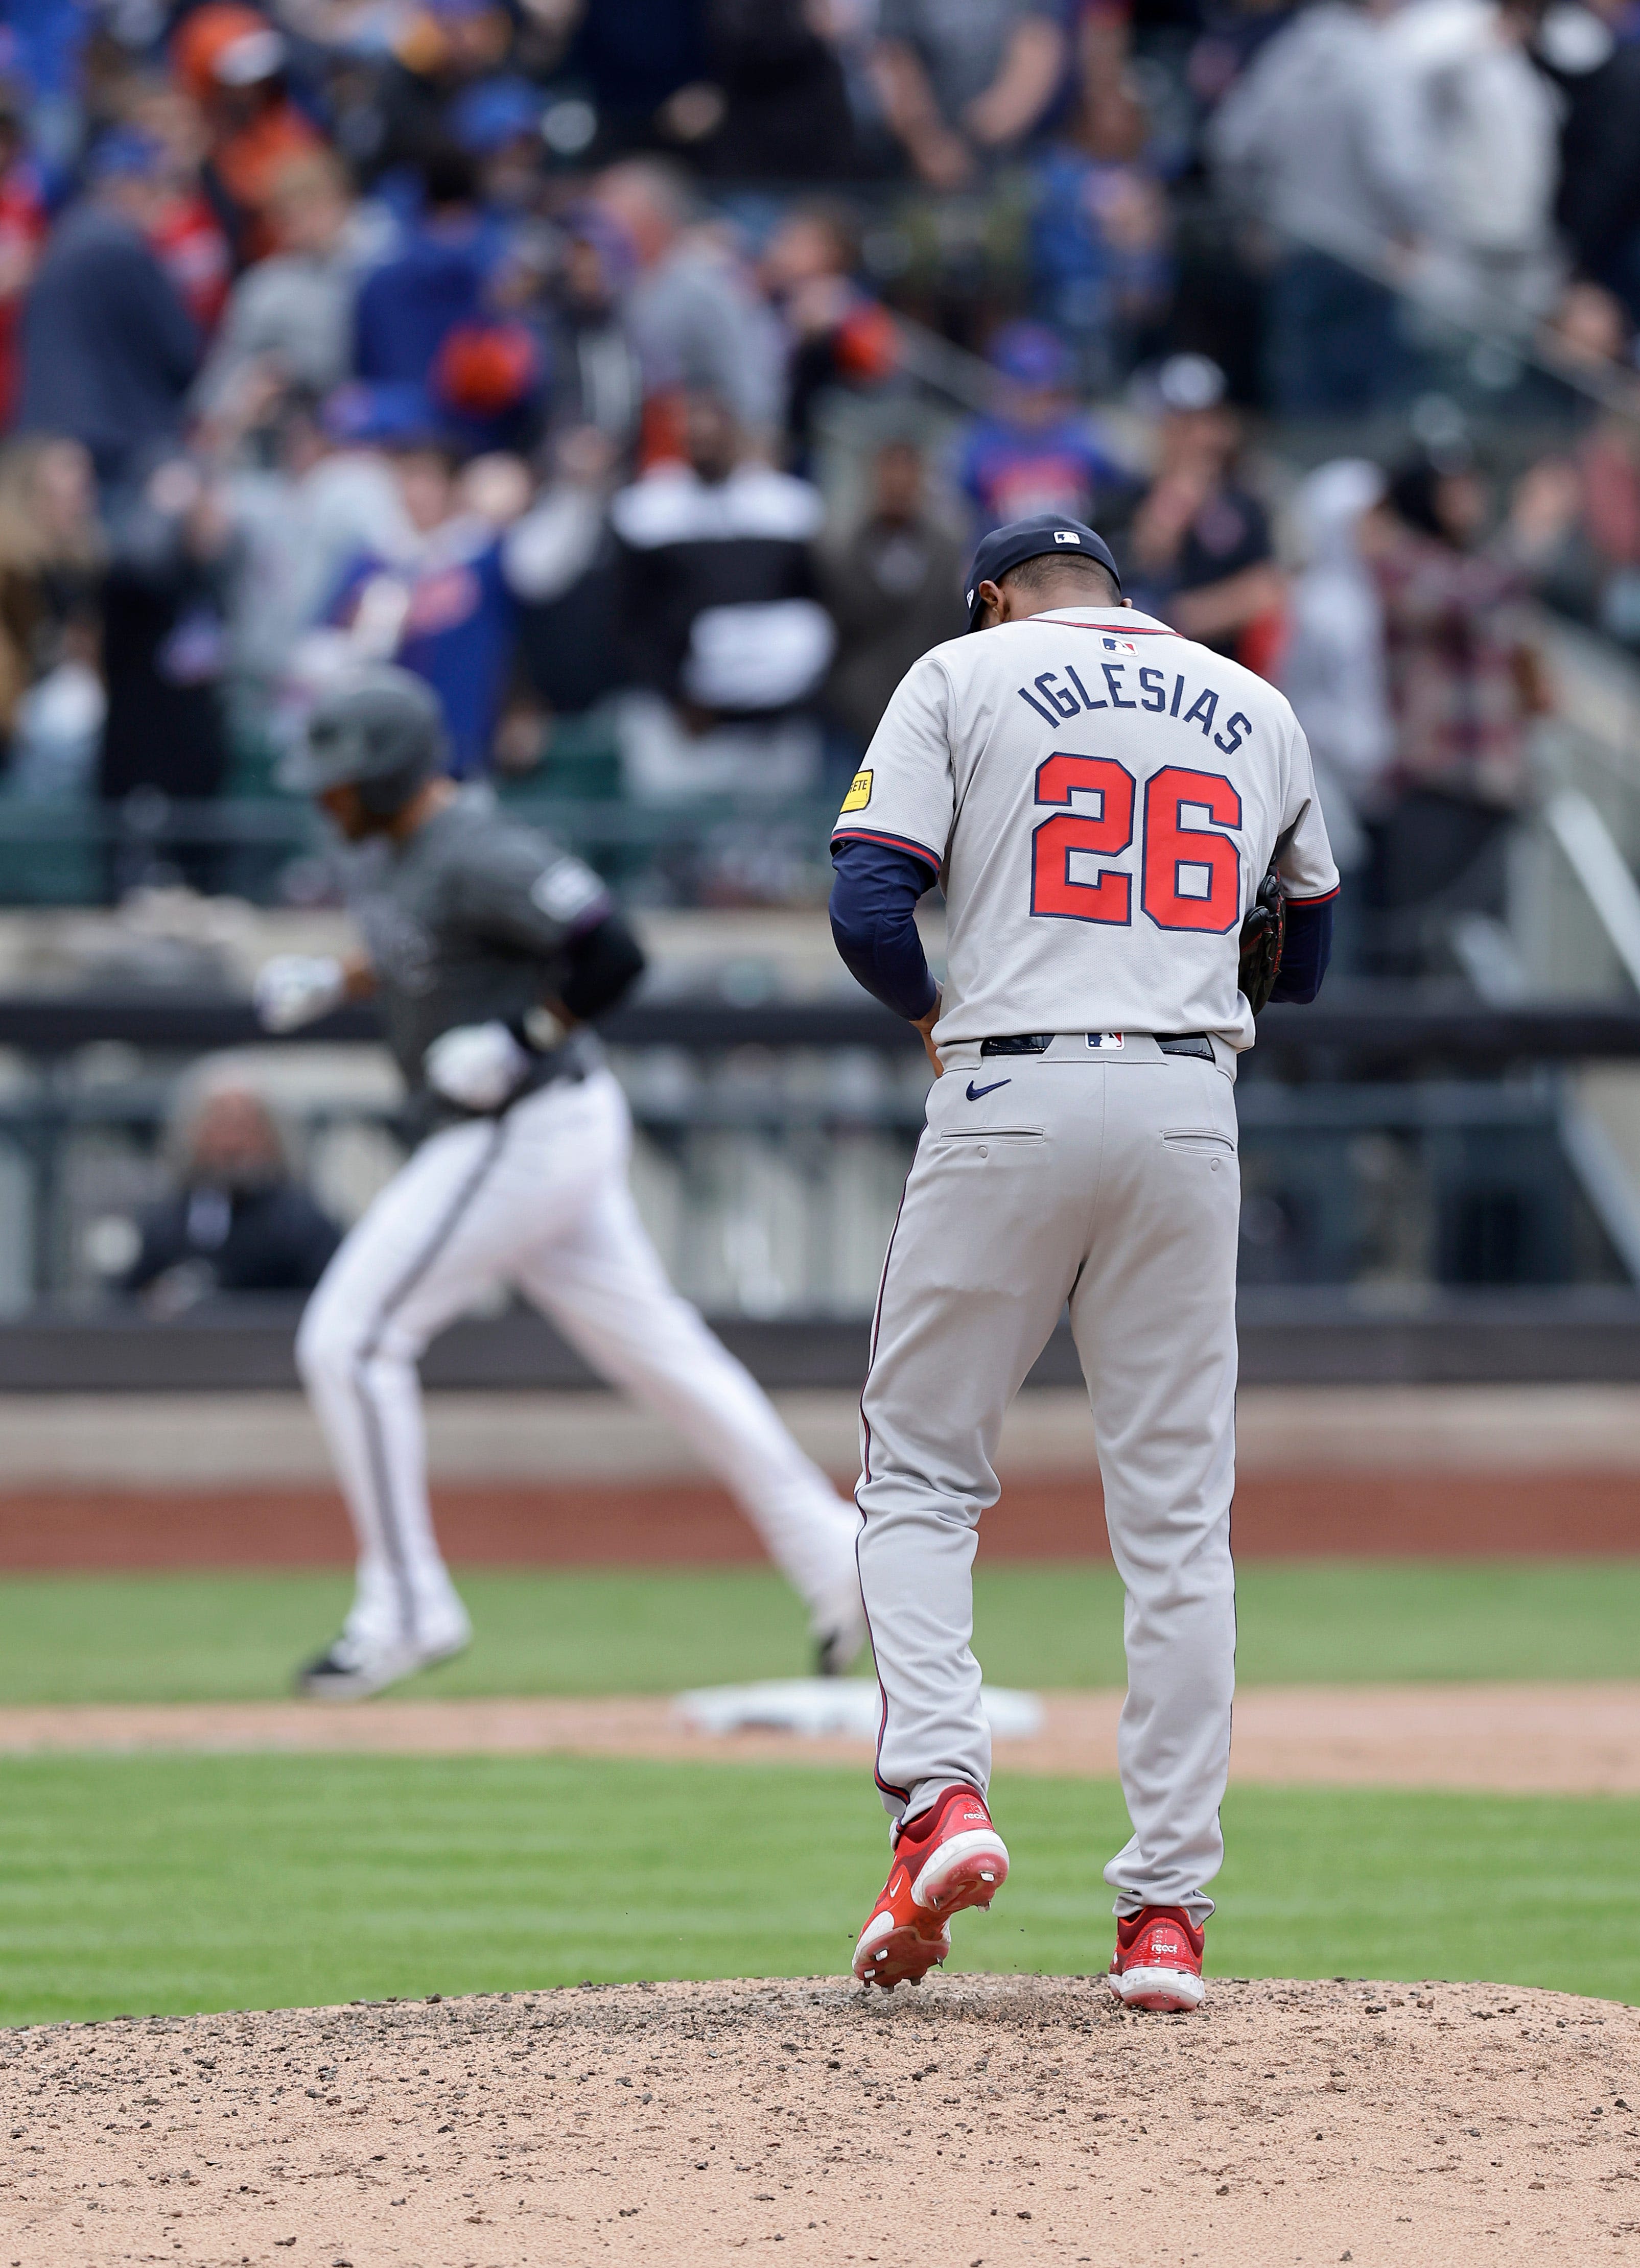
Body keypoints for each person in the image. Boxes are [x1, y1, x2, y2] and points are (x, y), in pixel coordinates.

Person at [827, 512, 1338, 2003]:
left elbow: (867, 902)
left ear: (993, 596)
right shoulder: (1251, 701)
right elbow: (1300, 956)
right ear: (1118, 591)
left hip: (1007, 1079)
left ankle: (941, 1795)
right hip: (1189, 1102)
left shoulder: (958, 672)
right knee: (1177, 1522)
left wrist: (933, 1012)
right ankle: (1163, 1916)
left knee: (919, 1475)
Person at [255, 664, 866, 1699]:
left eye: (341, 780)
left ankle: (406, 1605)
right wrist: (340, 981)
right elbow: (427, 944)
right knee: (670, 1359)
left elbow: (616, 952)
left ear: (396, 772)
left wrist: (524, 1036)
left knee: (350, 1339)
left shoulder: (480, 847)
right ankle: (839, 1558)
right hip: (537, 1131)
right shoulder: (400, 850)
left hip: (524, 1124)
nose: (326, 798)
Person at [609, 388, 834, 801]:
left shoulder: (787, 508)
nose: (704, 440)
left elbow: (814, 604)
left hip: (774, 725)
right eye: (694, 432)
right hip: (683, 727)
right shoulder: (646, 511)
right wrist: (676, 696)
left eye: (715, 429)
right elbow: (630, 618)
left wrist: (795, 691)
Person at [17, 131, 201, 491]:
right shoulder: (123, 246)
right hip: (119, 444)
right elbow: (181, 352)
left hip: (46, 439)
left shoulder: (62, 240)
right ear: (132, 188)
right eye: (158, 189)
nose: (167, 202)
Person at [1114, 354, 1284, 673]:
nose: (1194, 435)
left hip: (1224, 669)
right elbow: (1146, 559)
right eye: (1181, 423)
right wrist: (1178, 496)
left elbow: (1266, 590)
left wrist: (1181, 617)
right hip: (1144, 670)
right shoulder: (1128, 495)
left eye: (1204, 421)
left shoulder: (1245, 501)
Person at [122, 1070, 341, 1312]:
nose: (232, 1143)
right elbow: (124, 1303)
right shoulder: (165, 1223)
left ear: (272, 1135)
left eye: (244, 1126)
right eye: (219, 1124)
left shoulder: (303, 1224)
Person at [818, 436, 968, 760]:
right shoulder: (838, 549)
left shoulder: (949, 549)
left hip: (931, 717)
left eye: (907, 474)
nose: (898, 485)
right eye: (889, 474)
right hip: (852, 718)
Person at [954, 322, 1129, 539]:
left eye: (1048, 392)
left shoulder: (1085, 437)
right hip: (1003, 563)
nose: (1038, 402)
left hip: (1075, 562)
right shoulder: (979, 443)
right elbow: (960, 513)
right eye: (1028, 391)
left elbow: (1121, 495)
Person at [870, 0, 1067, 189]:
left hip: (1014, 168)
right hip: (917, 174)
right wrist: (929, 144)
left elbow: (1038, 48)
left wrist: (972, 139)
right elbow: (896, 59)